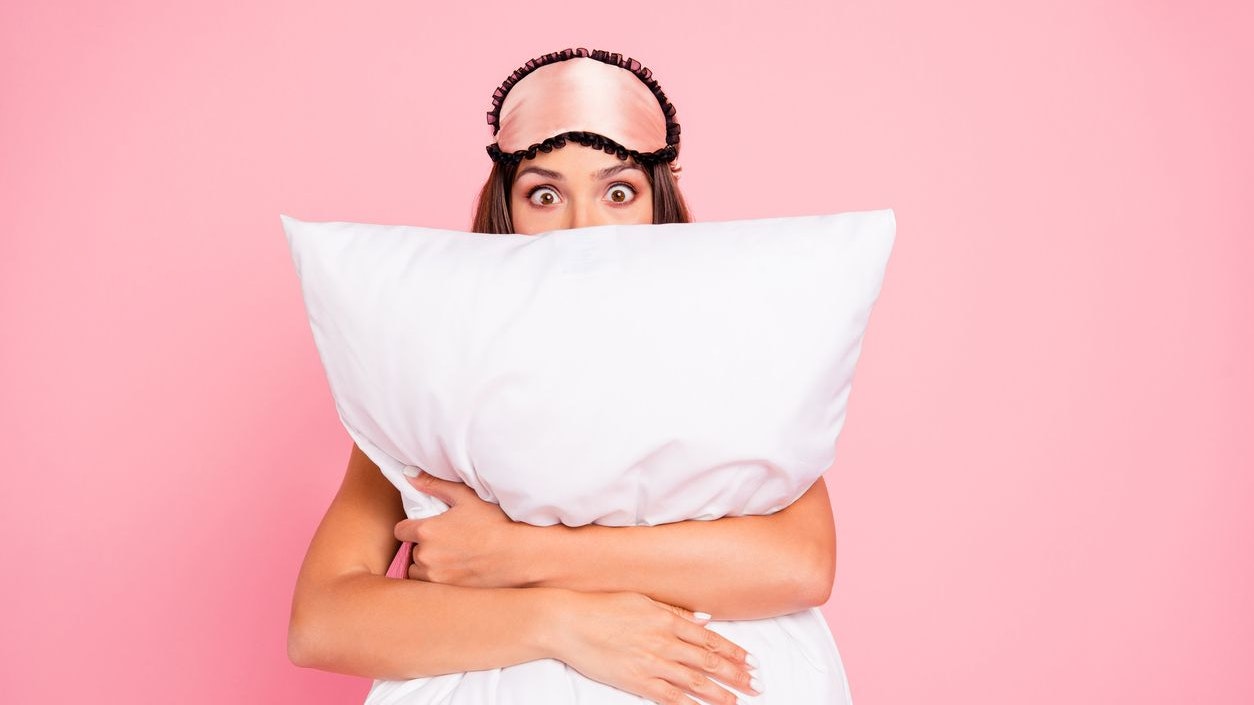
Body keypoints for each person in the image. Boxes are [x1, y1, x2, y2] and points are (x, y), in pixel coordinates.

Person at [287, 47, 854, 704]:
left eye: (618, 191)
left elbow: (801, 563)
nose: (585, 228)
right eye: (545, 193)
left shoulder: (722, 352)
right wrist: (566, 621)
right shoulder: (433, 376)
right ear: (507, 211)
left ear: (657, 207)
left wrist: (519, 556)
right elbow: (321, 622)